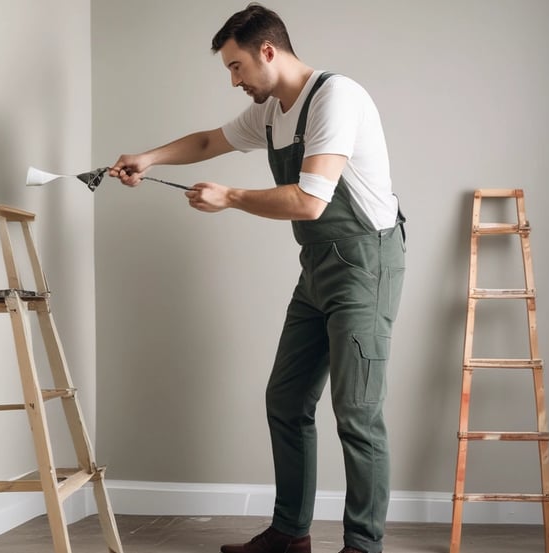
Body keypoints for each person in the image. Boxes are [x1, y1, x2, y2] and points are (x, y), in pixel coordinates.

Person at [109, 4, 405, 553]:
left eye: (237, 66)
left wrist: (231, 197)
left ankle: (364, 547)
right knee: (286, 400)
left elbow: (311, 200)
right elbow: (207, 143)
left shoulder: (335, 98)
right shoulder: (271, 112)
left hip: (366, 263)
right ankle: (290, 534)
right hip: (317, 268)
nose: (234, 80)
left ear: (268, 51)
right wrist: (148, 158)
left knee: (357, 413)